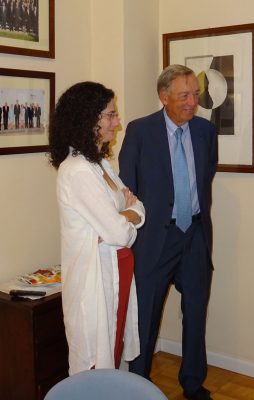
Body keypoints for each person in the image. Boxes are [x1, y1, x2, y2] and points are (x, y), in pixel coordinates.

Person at [119, 64, 218, 400]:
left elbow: (205, 177)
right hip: (154, 240)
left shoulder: (205, 132)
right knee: (145, 316)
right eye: (184, 96)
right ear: (164, 97)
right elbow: (128, 188)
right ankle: (138, 387)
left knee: (196, 314)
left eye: (195, 94)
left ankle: (193, 383)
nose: (193, 102)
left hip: (195, 236)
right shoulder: (139, 131)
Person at [48, 81, 145, 375]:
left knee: (114, 352)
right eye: (110, 115)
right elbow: (120, 233)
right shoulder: (77, 171)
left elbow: (138, 209)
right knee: (96, 361)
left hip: (117, 271)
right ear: (88, 119)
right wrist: (127, 215)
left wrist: (126, 214)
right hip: (96, 279)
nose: (118, 122)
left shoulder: (100, 164)